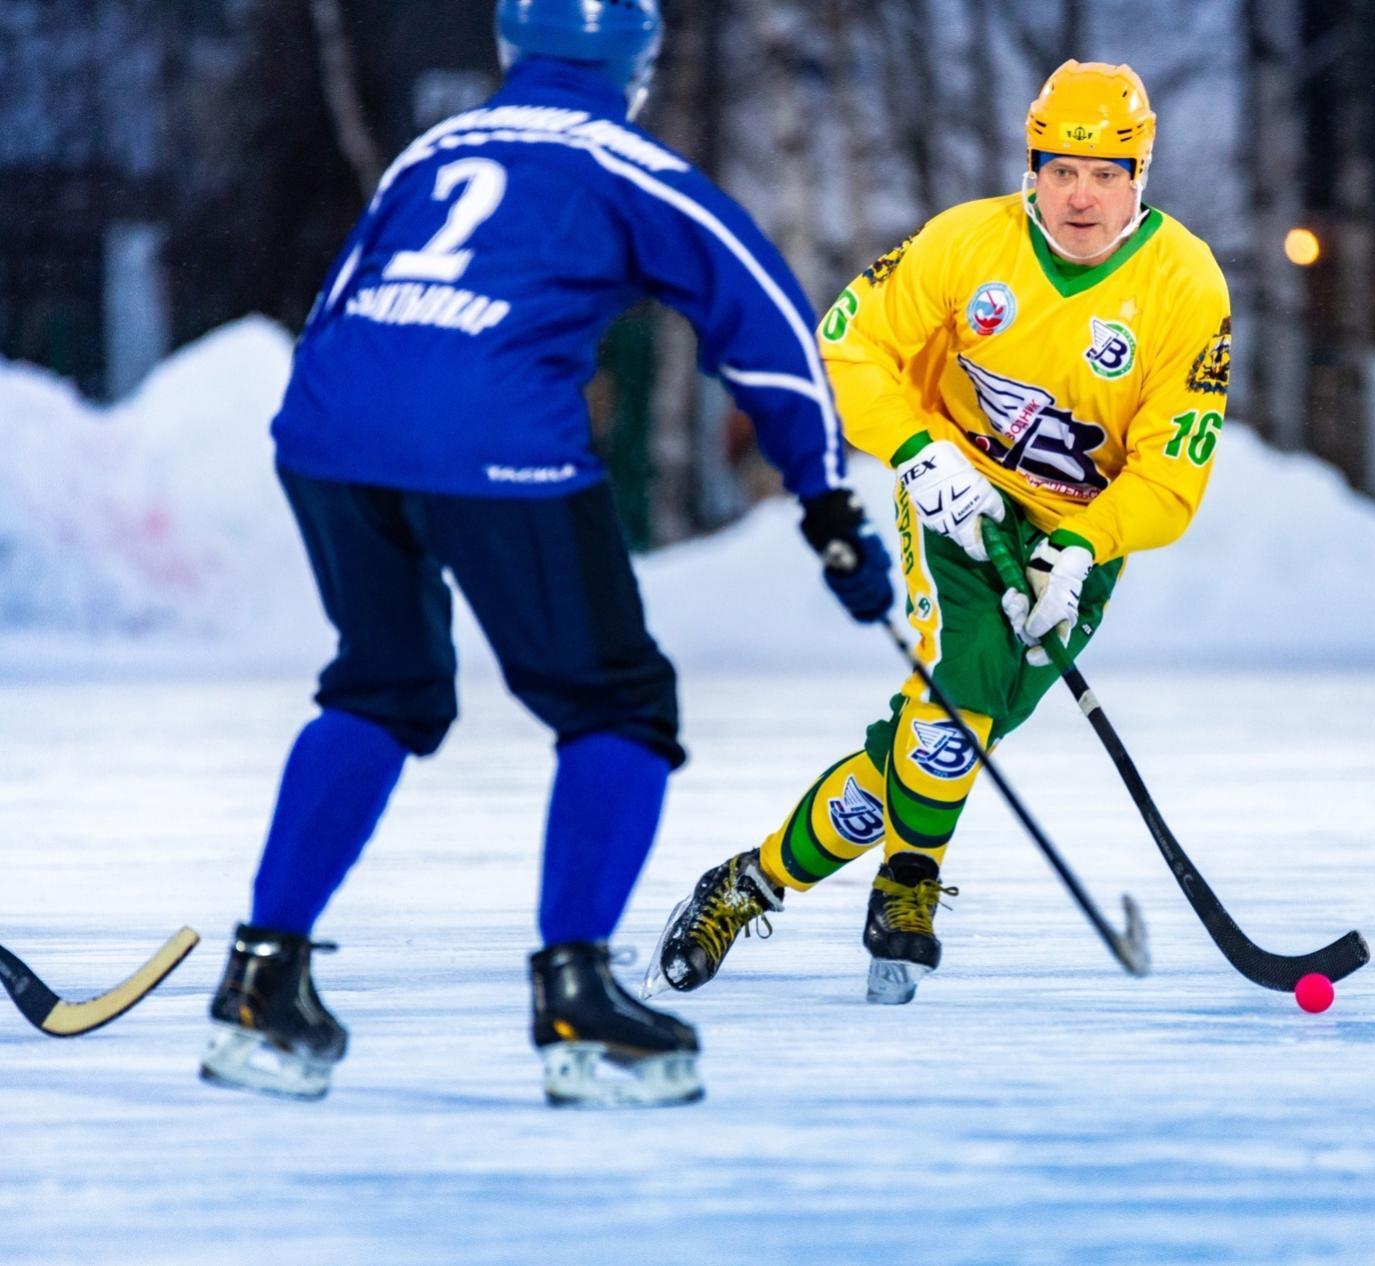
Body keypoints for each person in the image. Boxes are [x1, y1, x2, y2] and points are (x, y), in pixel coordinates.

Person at [198, 0, 892, 1108]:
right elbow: (765, 329)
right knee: (615, 704)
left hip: (325, 432)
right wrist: (825, 504)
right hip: (497, 441)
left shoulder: (435, 148)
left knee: (381, 688)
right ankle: (577, 996)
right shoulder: (627, 162)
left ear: (510, 51)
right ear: (639, 65)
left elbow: (337, 302)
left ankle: (260, 980)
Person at [645, 59, 1231, 1005]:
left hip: (1083, 538)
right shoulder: (966, 244)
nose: (1082, 195)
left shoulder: (1186, 285)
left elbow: (1171, 474)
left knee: (936, 746)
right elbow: (843, 345)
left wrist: (1080, 548)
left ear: (1140, 178)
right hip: (956, 498)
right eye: (1063, 169)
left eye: (1107, 172)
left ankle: (747, 883)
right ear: (1033, 167)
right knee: (959, 689)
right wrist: (920, 453)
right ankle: (906, 886)